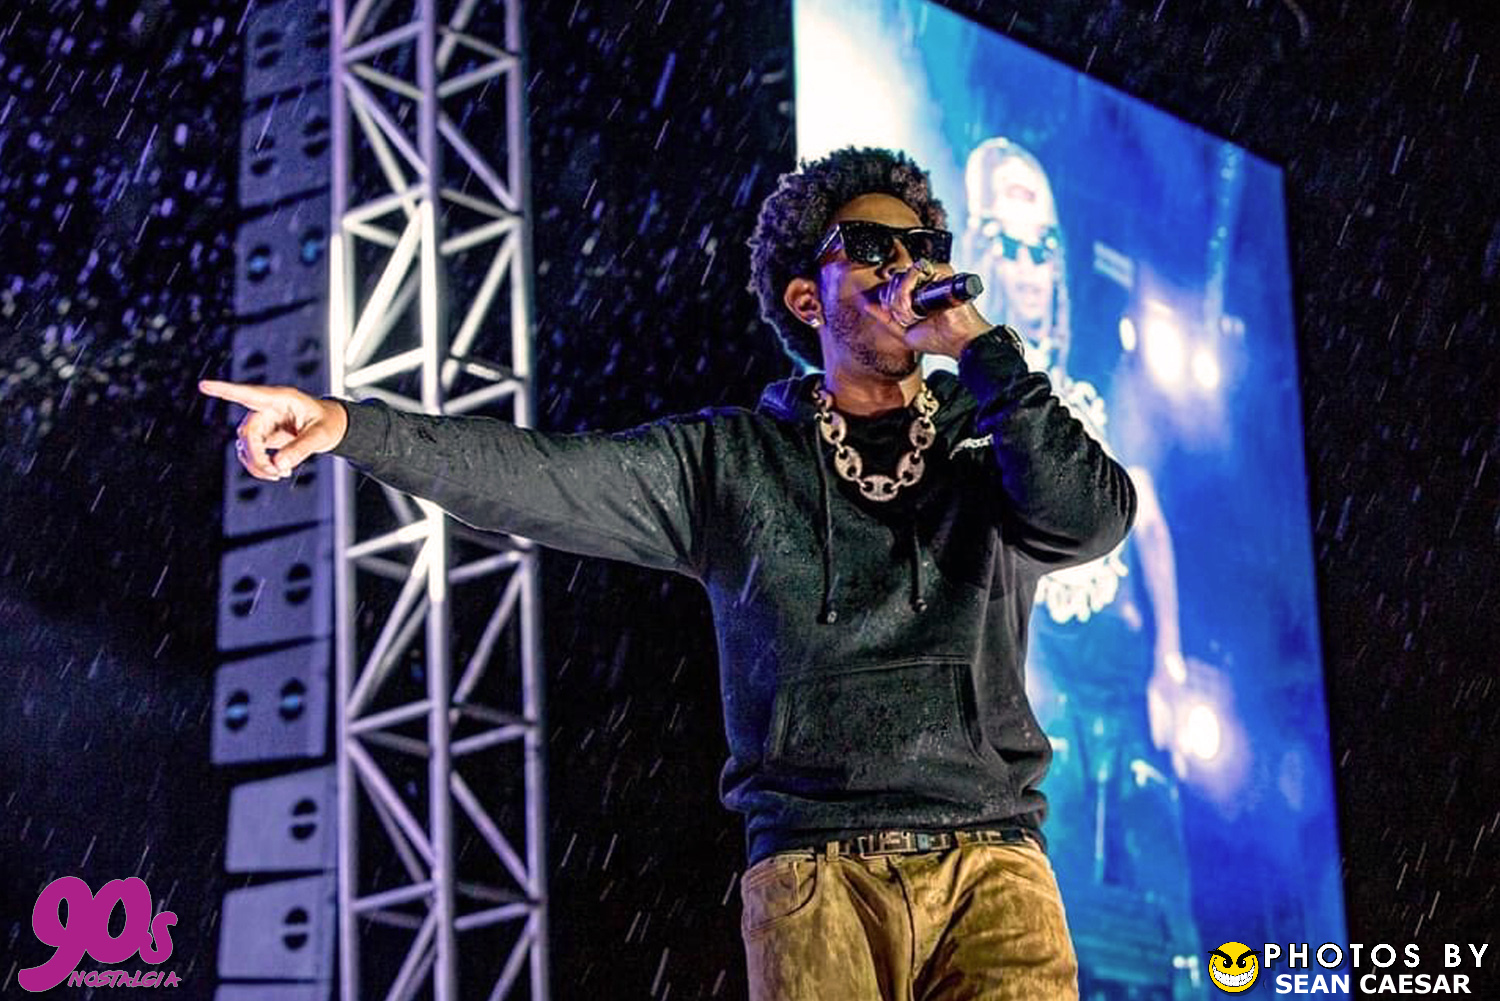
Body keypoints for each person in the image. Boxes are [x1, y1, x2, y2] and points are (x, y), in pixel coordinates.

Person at [201, 146, 1137, 1001]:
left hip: (993, 863)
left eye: (923, 247)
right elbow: (539, 478)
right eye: (868, 246)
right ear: (806, 299)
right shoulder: (731, 464)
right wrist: (351, 426)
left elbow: (1092, 519)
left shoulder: (992, 443)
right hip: (815, 875)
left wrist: (981, 350)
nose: (904, 265)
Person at [961, 137, 1200, 998]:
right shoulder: (957, 401)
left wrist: (1170, 663)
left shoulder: (1088, 388)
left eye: (1044, 248)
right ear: (978, 251)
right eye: (1010, 245)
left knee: (1172, 931)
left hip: (1123, 694)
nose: (1031, 269)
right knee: (1050, 931)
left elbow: (1153, 519)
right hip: (1033, 702)